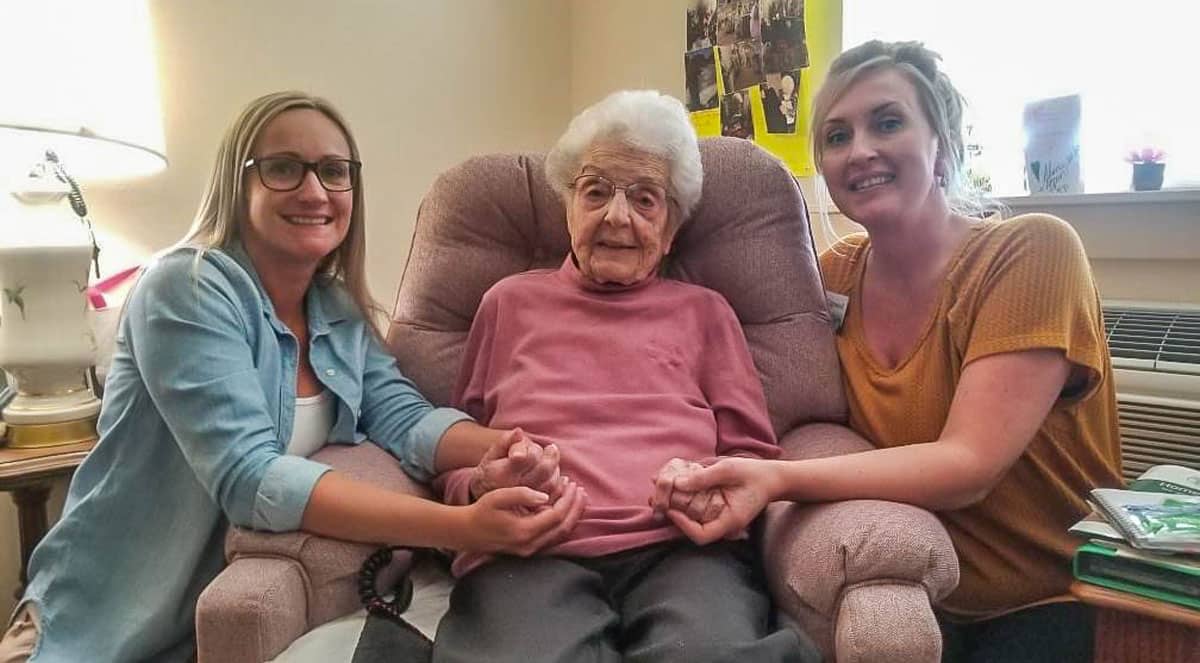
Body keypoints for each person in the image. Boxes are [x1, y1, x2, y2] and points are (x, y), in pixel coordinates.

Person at [0, 91, 585, 663]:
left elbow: (405, 419)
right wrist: (461, 528)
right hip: (102, 618)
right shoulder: (188, 288)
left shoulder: (338, 309)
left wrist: (520, 448)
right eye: (283, 168)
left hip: (204, 627)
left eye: (334, 171)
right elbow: (251, 478)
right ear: (239, 183)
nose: (314, 190)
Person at [653, 41, 1123, 663]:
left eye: (889, 122)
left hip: (1048, 598)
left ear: (943, 143)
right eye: (838, 136)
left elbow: (968, 465)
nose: (861, 150)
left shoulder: (1033, 252)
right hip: (911, 585)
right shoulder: (835, 276)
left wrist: (776, 480)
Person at [431, 90, 813, 663]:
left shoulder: (706, 312)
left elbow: (754, 457)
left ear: (672, 229)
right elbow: (456, 453)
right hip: (529, 552)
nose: (616, 215)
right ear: (568, 207)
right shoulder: (507, 304)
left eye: (644, 199)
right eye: (596, 191)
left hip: (681, 550)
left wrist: (708, 486)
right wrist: (483, 486)